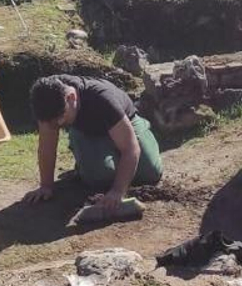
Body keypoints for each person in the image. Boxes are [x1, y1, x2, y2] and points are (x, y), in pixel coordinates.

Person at [24, 75, 163, 215]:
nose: (58, 125)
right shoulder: (46, 100)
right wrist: (46, 185)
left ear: (71, 98)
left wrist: (117, 191)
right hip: (87, 131)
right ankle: (92, 159)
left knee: (150, 173)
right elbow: (47, 147)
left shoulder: (103, 99)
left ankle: (142, 132)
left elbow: (130, 149)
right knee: (98, 178)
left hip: (126, 122)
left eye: (61, 118)